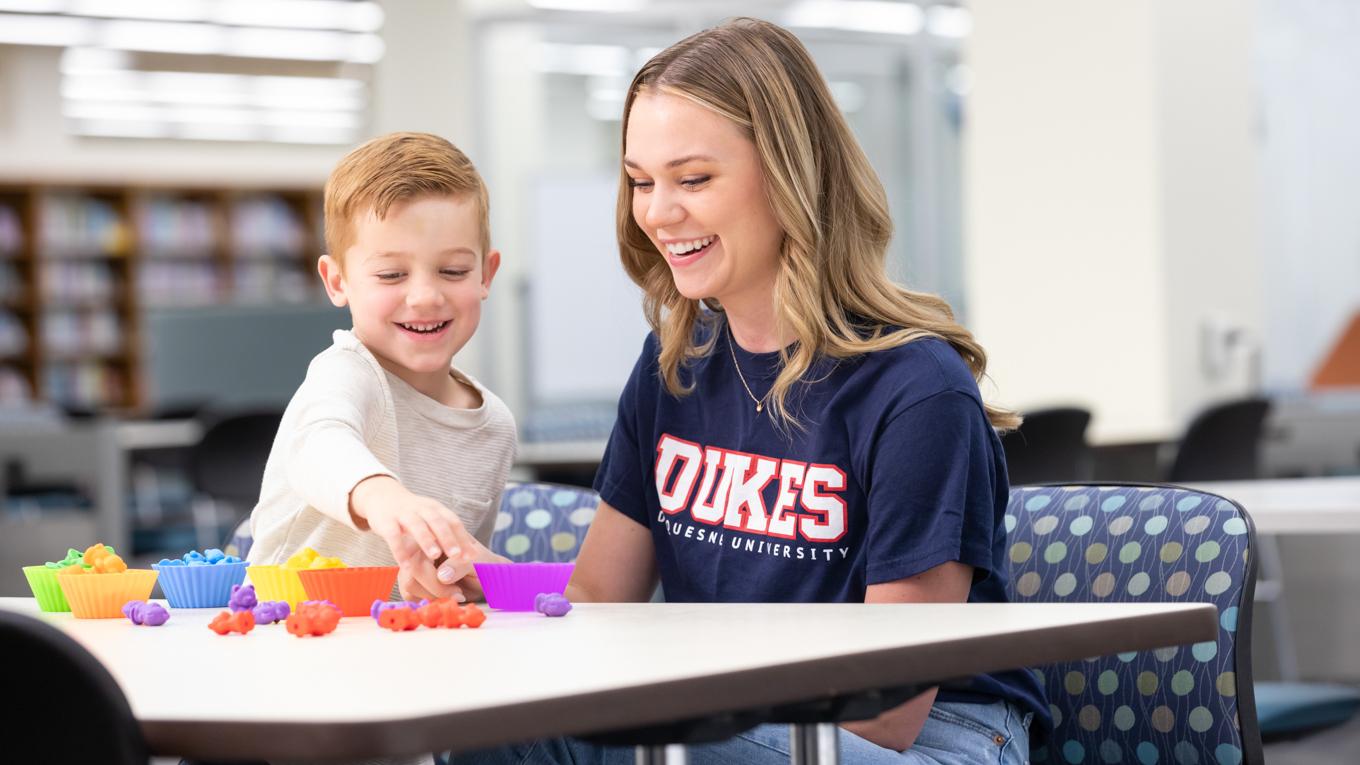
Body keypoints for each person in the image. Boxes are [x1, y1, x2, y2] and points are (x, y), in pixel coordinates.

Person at [456, 16, 1047, 765]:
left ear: (791, 176)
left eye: (694, 179)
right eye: (640, 181)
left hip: (935, 739)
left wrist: (665, 699)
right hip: (725, 714)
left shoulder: (918, 391)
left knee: (622, 743)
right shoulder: (674, 364)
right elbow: (598, 608)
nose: (657, 213)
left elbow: (885, 708)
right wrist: (480, 586)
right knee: (484, 732)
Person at [247, 131, 515, 605]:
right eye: (391, 275)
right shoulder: (346, 373)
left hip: (402, 653)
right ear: (337, 281)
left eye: (452, 271)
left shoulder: (495, 427)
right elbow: (318, 445)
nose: (425, 297)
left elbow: (463, 571)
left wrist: (454, 581)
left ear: (485, 276)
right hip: (285, 641)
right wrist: (385, 499)